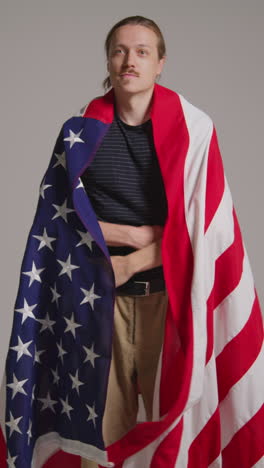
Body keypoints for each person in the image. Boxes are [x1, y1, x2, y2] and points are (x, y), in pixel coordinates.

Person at [2, 15, 263, 468]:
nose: (130, 60)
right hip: (98, 301)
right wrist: (136, 233)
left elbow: (202, 231)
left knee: (173, 425)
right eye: (121, 50)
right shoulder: (80, 133)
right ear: (109, 59)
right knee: (101, 434)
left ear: (160, 63)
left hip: (170, 300)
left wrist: (132, 260)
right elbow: (59, 225)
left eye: (142, 51)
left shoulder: (194, 131)